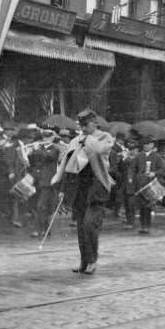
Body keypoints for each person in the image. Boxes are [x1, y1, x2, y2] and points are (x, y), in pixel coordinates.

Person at [51, 110, 114, 274]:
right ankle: (84, 261)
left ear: (95, 123)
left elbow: (100, 150)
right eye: (82, 125)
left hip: (96, 187)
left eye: (88, 124)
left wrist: (86, 139)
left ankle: (93, 261)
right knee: (80, 228)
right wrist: (63, 188)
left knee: (89, 226)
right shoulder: (75, 140)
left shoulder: (104, 137)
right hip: (79, 188)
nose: (85, 127)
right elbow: (67, 165)